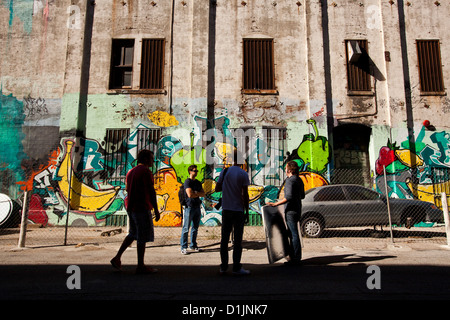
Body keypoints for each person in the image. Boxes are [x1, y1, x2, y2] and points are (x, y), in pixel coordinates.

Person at [110, 149, 160, 274]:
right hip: (142, 207)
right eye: (151, 158)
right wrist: (156, 209)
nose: (153, 161)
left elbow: (127, 188)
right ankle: (140, 265)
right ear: (146, 159)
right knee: (142, 236)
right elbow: (151, 191)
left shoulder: (131, 172)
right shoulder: (146, 172)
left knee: (133, 233)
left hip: (131, 207)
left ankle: (117, 257)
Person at [215, 150, 250, 275]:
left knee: (224, 239)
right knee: (238, 240)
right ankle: (236, 267)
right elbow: (245, 194)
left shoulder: (224, 172)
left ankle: (223, 267)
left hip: (226, 209)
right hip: (238, 210)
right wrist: (246, 210)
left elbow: (216, 188)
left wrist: (226, 186)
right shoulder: (243, 174)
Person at [267, 160, 305, 265]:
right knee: (294, 232)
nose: (284, 170)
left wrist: (276, 204)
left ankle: (295, 258)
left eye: (285, 168)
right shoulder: (299, 180)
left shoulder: (290, 181)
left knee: (293, 234)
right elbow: (302, 195)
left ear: (289, 170)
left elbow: (288, 197)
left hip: (290, 210)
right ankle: (296, 257)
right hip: (297, 208)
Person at [180, 164, 205, 254]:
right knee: (186, 228)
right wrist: (197, 193)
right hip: (189, 207)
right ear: (190, 171)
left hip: (197, 206)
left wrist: (195, 193)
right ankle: (183, 247)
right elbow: (189, 194)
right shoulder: (187, 182)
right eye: (194, 171)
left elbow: (203, 194)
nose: (196, 172)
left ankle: (193, 245)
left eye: (197, 171)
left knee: (195, 228)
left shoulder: (198, 182)